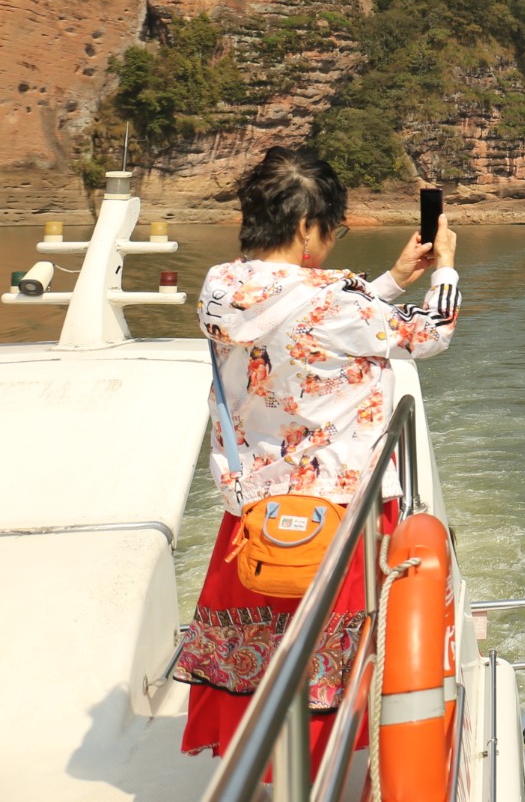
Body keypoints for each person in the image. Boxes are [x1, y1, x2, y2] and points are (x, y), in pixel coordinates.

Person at [173, 147, 461, 762]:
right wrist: (444, 271)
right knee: (331, 657)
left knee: (257, 653)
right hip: (334, 515)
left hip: (253, 519)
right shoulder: (336, 302)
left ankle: (255, 760)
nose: (332, 241)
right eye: (334, 228)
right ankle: (321, 769)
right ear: (307, 226)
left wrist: (392, 278)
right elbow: (431, 334)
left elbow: (301, 321)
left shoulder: (220, 291)